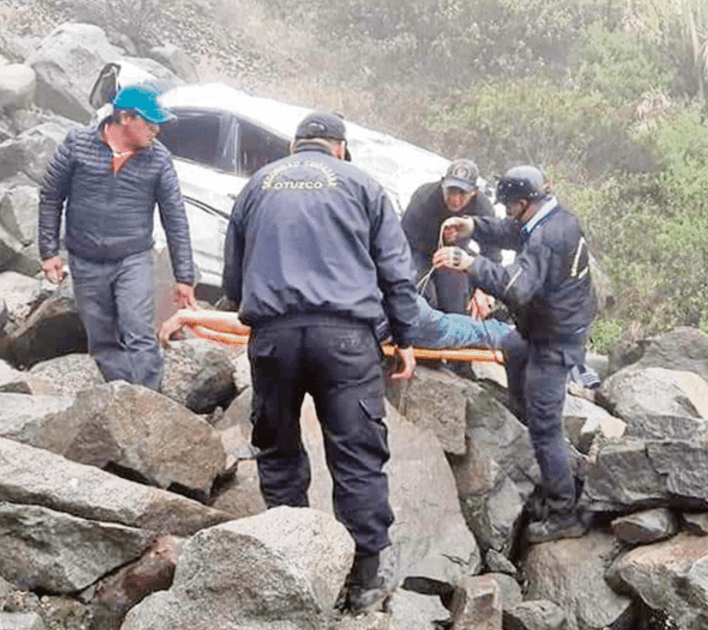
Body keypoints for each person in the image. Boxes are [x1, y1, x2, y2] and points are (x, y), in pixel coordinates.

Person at [222, 111, 419, 614]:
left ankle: (293, 558)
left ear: (294, 146)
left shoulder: (256, 186)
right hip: (347, 341)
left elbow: (231, 281)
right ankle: (364, 577)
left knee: (278, 445)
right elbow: (397, 273)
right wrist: (406, 339)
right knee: (356, 454)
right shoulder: (364, 186)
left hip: (274, 338)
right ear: (341, 149)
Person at [432, 165, 597, 543]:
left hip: (554, 337)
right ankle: (532, 429)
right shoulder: (547, 217)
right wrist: (473, 228)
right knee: (510, 347)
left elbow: (517, 287)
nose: (506, 212)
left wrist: (470, 264)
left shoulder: (549, 237)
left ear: (524, 202)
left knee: (545, 424)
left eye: (509, 206)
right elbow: (511, 232)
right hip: (541, 327)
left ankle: (563, 512)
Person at [38, 83, 198, 392]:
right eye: (150, 123)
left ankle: (151, 403)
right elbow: (50, 195)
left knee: (138, 331)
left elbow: (175, 217)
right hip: (84, 259)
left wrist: (184, 277)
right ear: (126, 119)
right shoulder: (77, 144)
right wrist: (49, 252)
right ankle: (124, 401)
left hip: (133, 258)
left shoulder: (159, 160)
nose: (156, 131)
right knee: (101, 340)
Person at [160, 293, 513, 352]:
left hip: (403, 316)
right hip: (394, 306)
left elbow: (245, 325)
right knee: (460, 328)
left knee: (463, 333)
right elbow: (245, 324)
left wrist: (192, 316)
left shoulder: (296, 305)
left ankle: (514, 337)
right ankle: (510, 333)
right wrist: (192, 317)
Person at [400, 159, 500, 318]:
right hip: (420, 253)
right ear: (442, 184)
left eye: (462, 193)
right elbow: (401, 244)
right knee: (422, 300)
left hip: (455, 257)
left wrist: (484, 291)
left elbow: (493, 255)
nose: (455, 199)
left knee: (456, 311)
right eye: (451, 190)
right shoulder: (424, 197)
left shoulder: (482, 207)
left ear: (474, 192)